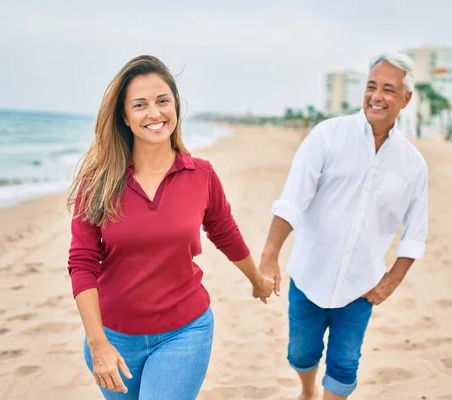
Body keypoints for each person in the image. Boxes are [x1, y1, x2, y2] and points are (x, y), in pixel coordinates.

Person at [67, 55, 275, 400]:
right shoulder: (98, 183)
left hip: (184, 332)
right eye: (140, 105)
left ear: (176, 107)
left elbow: (224, 232)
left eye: (163, 101)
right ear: (125, 116)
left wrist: (257, 281)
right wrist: (97, 342)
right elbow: (82, 263)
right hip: (113, 337)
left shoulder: (201, 175)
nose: (154, 113)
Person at [258, 52, 429, 399]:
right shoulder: (328, 135)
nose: (376, 96)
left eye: (388, 89)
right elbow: (293, 198)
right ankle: (307, 390)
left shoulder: (413, 165)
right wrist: (270, 255)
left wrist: (390, 282)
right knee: (301, 353)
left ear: (406, 99)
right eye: (371, 87)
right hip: (308, 276)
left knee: (345, 364)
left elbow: (415, 232)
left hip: (360, 287)